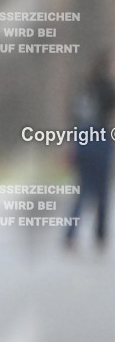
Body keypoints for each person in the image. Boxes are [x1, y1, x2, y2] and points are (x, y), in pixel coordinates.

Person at [65, 49, 115, 250]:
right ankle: (100, 236)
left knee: (83, 188)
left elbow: (75, 117)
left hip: (81, 139)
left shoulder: (84, 88)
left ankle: (70, 235)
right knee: (102, 189)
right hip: (99, 140)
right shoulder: (108, 89)